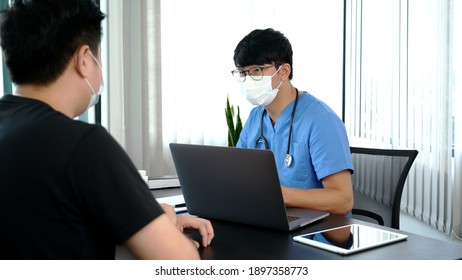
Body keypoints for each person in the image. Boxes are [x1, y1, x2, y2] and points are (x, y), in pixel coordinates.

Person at [0, 0, 213, 260]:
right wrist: (164, 218)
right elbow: (182, 263)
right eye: (100, 59)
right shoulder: (83, 144)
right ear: (84, 60)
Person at [232, 28, 354, 216]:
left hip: (316, 231)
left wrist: (282, 195)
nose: (248, 79)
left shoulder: (321, 120)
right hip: (269, 220)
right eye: (242, 72)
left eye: (256, 70)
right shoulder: (255, 118)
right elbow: (238, 176)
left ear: (284, 71)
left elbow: (343, 200)